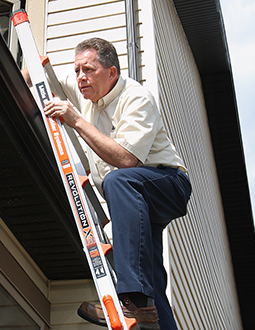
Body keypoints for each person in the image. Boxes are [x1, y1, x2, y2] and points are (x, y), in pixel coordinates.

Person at [31, 38, 191, 330]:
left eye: (88, 70)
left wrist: (77, 121)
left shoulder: (136, 98)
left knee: (119, 179)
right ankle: (148, 310)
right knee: (152, 280)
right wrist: (26, 66)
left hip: (168, 185)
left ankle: (129, 299)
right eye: (77, 70)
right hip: (136, 197)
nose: (80, 77)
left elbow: (127, 160)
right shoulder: (84, 89)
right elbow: (39, 72)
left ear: (112, 73)